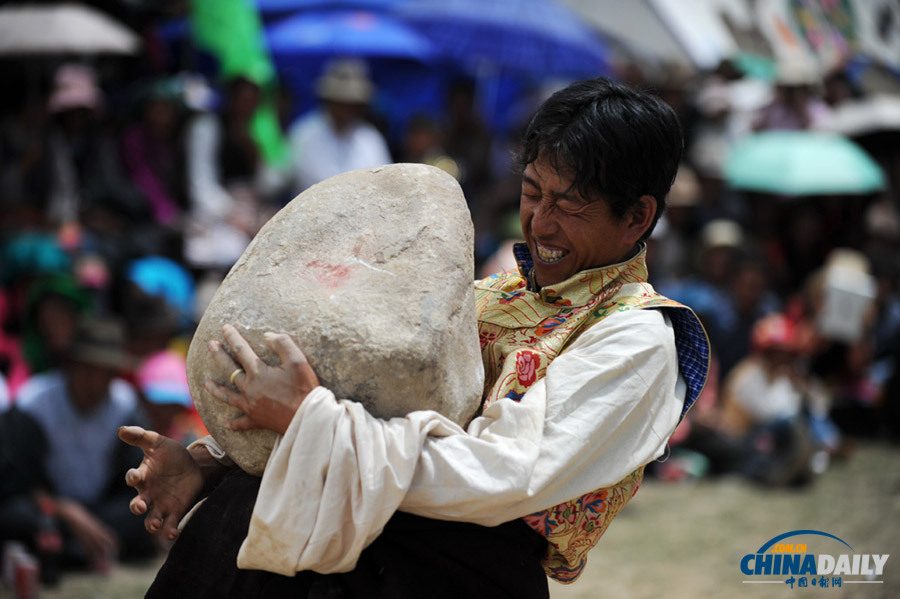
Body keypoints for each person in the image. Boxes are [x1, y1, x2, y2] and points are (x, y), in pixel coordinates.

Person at [119, 77, 709, 598]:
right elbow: (361, 396)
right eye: (533, 192)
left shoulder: (640, 338)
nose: (541, 222)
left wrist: (310, 421)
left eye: (571, 205)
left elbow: (504, 474)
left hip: (458, 575)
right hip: (361, 545)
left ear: (637, 216)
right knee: (234, 515)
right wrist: (211, 463)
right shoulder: (488, 294)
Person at [0, 316, 154, 581]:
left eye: (105, 374)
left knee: (144, 510)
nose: (96, 383)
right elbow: (17, 481)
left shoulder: (124, 405)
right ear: (69, 366)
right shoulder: (34, 402)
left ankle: (75, 549)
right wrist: (65, 510)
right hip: (49, 509)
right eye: (88, 371)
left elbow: (137, 478)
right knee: (16, 515)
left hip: (101, 510)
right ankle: (83, 549)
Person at [287, 58, 392, 192]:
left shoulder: (370, 139)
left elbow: (384, 183)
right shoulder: (303, 133)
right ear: (328, 101)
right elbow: (278, 177)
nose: (345, 109)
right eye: (340, 102)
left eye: (351, 104)